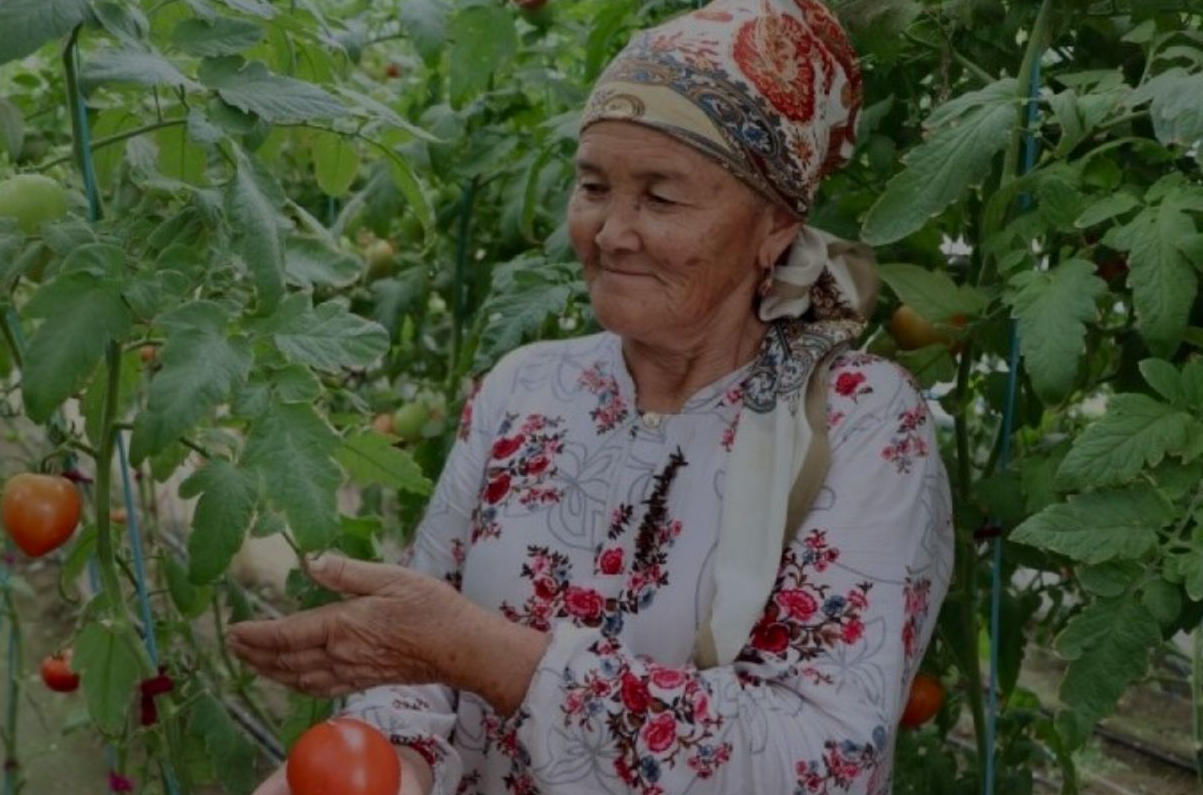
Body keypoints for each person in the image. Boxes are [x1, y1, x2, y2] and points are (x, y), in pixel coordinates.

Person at [227, 1, 954, 792]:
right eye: (594, 186)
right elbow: (417, 653)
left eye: (661, 197)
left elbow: (821, 756)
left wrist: (488, 654)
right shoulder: (527, 386)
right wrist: (390, 762)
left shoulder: (863, 423)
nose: (610, 232)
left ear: (774, 226)